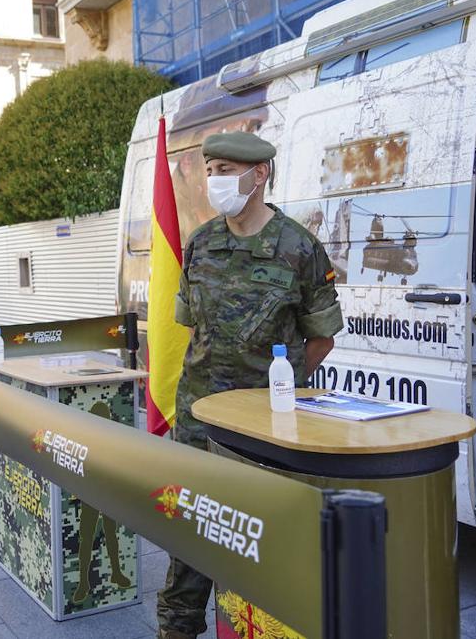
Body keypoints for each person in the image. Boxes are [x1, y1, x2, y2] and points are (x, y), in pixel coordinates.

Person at [158, 131, 343, 639]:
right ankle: (177, 628)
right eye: (210, 169)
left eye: (224, 170)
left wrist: (277, 393)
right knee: (191, 532)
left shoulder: (299, 248)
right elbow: (190, 329)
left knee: (259, 536)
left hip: (266, 429)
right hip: (199, 419)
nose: (214, 180)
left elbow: (321, 337)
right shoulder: (200, 243)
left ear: (258, 174)